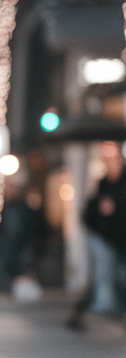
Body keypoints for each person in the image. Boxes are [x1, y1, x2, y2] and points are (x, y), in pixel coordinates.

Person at [67, 140, 126, 329]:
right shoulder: (102, 185)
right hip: (104, 237)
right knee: (105, 275)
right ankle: (101, 308)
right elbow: (88, 213)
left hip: (121, 238)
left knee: (116, 277)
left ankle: (82, 313)